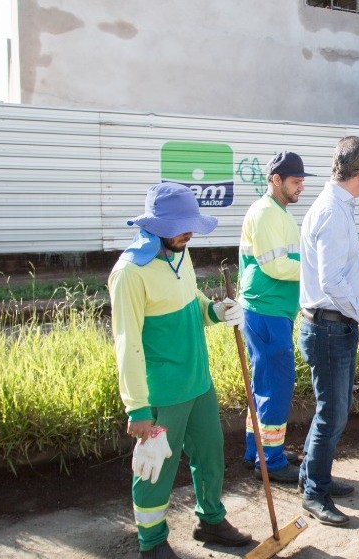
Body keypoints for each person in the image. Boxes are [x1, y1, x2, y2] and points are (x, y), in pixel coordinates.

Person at [110, 182, 253, 559]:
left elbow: (192, 300)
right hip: (162, 395)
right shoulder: (130, 273)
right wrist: (137, 408)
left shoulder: (179, 253)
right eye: (181, 226)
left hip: (198, 383)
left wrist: (215, 311)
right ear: (156, 225)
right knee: (154, 467)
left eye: (191, 225)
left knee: (211, 453)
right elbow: (127, 343)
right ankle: (152, 542)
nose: (189, 233)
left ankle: (211, 519)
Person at [297, 136, 359, 527]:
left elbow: (341, 270)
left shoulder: (338, 206)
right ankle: (315, 493)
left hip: (333, 326)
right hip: (329, 328)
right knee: (331, 414)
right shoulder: (332, 211)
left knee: (335, 411)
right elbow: (331, 281)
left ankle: (313, 476)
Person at [237, 151, 311, 483]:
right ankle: (271, 460)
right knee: (276, 385)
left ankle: (257, 450)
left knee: (264, 383)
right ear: (276, 179)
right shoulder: (267, 212)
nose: (301, 187)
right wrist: (313, 270)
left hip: (270, 309)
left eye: (302, 181)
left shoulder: (276, 211)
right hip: (266, 309)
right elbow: (275, 265)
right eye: (295, 181)